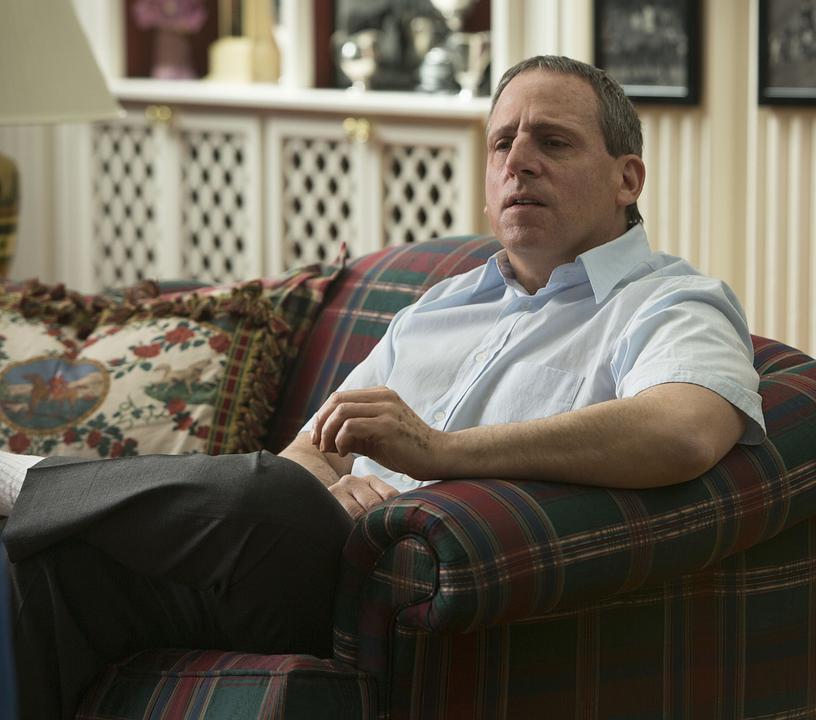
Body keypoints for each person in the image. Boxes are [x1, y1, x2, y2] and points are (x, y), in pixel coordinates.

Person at [1, 55, 764, 719]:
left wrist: (440, 451)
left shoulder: (671, 303)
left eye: (553, 142)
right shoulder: (442, 305)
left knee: (263, 492)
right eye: (503, 143)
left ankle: (23, 480)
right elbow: (317, 450)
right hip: (312, 555)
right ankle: (38, 503)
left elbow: (682, 428)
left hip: (419, 589)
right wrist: (325, 491)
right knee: (46, 571)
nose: (519, 162)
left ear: (628, 178)